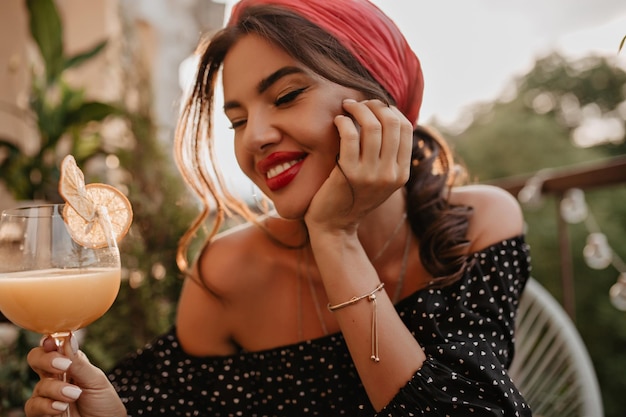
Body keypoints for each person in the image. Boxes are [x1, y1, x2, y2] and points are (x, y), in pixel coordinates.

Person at [25, 0, 532, 416]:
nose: (258, 138)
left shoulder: (478, 225)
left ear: (383, 103)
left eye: (287, 95)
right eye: (238, 121)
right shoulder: (224, 274)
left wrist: (335, 237)